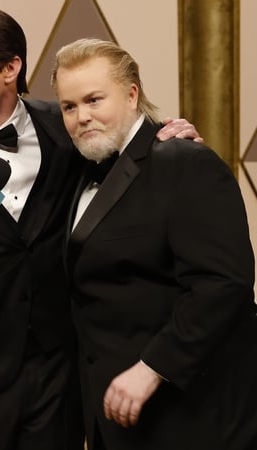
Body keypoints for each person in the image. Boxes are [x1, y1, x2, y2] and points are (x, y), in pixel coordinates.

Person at [0, 6, 201, 450]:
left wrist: (171, 137)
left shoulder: (71, 126)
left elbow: (130, 155)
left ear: (10, 68)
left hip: (65, 379)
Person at [51, 37, 257, 450]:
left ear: (131, 95)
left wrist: (152, 367)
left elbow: (224, 283)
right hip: (115, 420)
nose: (82, 117)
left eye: (94, 100)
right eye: (69, 107)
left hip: (192, 415)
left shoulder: (184, 161)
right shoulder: (79, 169)